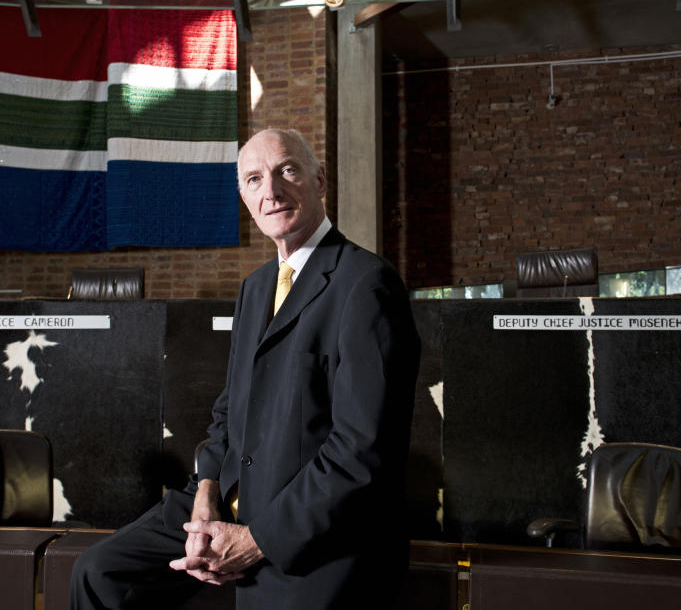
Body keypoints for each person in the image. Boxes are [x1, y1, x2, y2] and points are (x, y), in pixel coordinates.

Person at [69, 128, 421, 610]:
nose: (270, 191)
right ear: (244, 197)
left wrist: (258, 538)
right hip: (231, 494)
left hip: (305, 525)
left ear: (320, 181)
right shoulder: (256, 289)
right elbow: (230, 410)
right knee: (98, 573)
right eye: (254, 180)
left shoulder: (367, 284)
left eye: (287, 171)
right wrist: (206, 491)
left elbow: (362, 451)